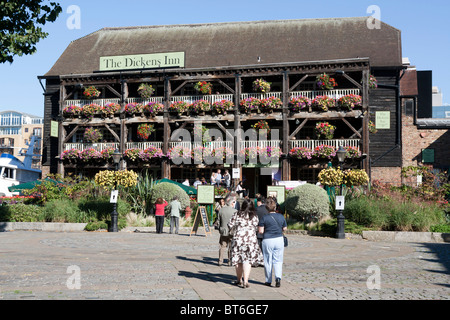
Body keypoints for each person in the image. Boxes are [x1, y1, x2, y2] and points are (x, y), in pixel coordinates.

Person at [228, 199, 263, 288]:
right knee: (247, 261)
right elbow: (256, 227)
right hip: (250, 241)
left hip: (238, 240)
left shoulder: (237, 214)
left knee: (238, 261)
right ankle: (246, 281)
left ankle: (239, 279)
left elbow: (230, 224)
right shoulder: (254, 216)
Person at [258, 197, 287, 287]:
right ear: (275, 207)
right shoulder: (281, 217)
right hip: (279, 239)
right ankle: (278, 278)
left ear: (267, 208)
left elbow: (261, 231)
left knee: (268, 260)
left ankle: (268, 280)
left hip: (268, 240)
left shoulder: (264, 218)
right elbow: (285, 228)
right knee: (278, 260)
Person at [217, 197, 236, 266]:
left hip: (223, 230)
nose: (234, 204)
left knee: (222, 246)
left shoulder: (221, 210)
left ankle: (220, 261)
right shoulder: (235, 211)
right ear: (231, 203)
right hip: (231, 231)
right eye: (233, 203)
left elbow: (218, 221)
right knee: (230, 247)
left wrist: (220, 228)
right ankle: (229, 261)